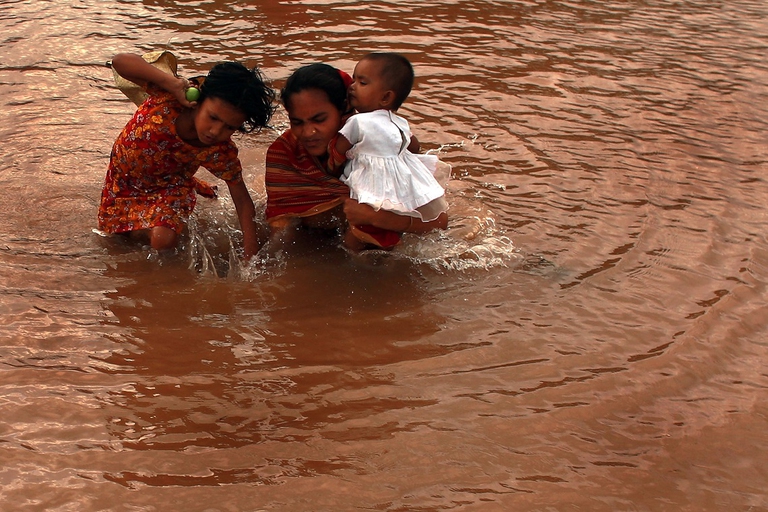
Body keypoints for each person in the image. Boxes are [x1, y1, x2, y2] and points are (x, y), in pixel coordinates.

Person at [97, 52, 275, 260]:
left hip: (169, 188)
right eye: (213, 117)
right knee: (118, 240)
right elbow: (120, 62)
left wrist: (250, 258)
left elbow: (243, 202)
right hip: (122, 180)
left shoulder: (219, 151)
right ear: (198, 101)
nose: (215, 132)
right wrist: (171, 83)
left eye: (229, 127)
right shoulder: (170, 96)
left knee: (162, 240)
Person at [264, 62, 448, 252]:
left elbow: (439, 221)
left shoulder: (377, 149)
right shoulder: (286, 154)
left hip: (375, 247)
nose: (308, 132)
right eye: (297, 122)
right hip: (318, 239)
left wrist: (377, 218)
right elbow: (281, 231)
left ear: (344, 109)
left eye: (319, 120)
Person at [335, 52, 448, 251]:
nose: (352, 86)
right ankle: (389, 238)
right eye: (353, 79)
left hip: (371, 185)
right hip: (397, 186)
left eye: (362, 82)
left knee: (351, 241)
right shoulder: (400, 122)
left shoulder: (359, 121)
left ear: (386, 97)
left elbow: (339, 148)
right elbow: (414, 145)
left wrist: (332, 159)